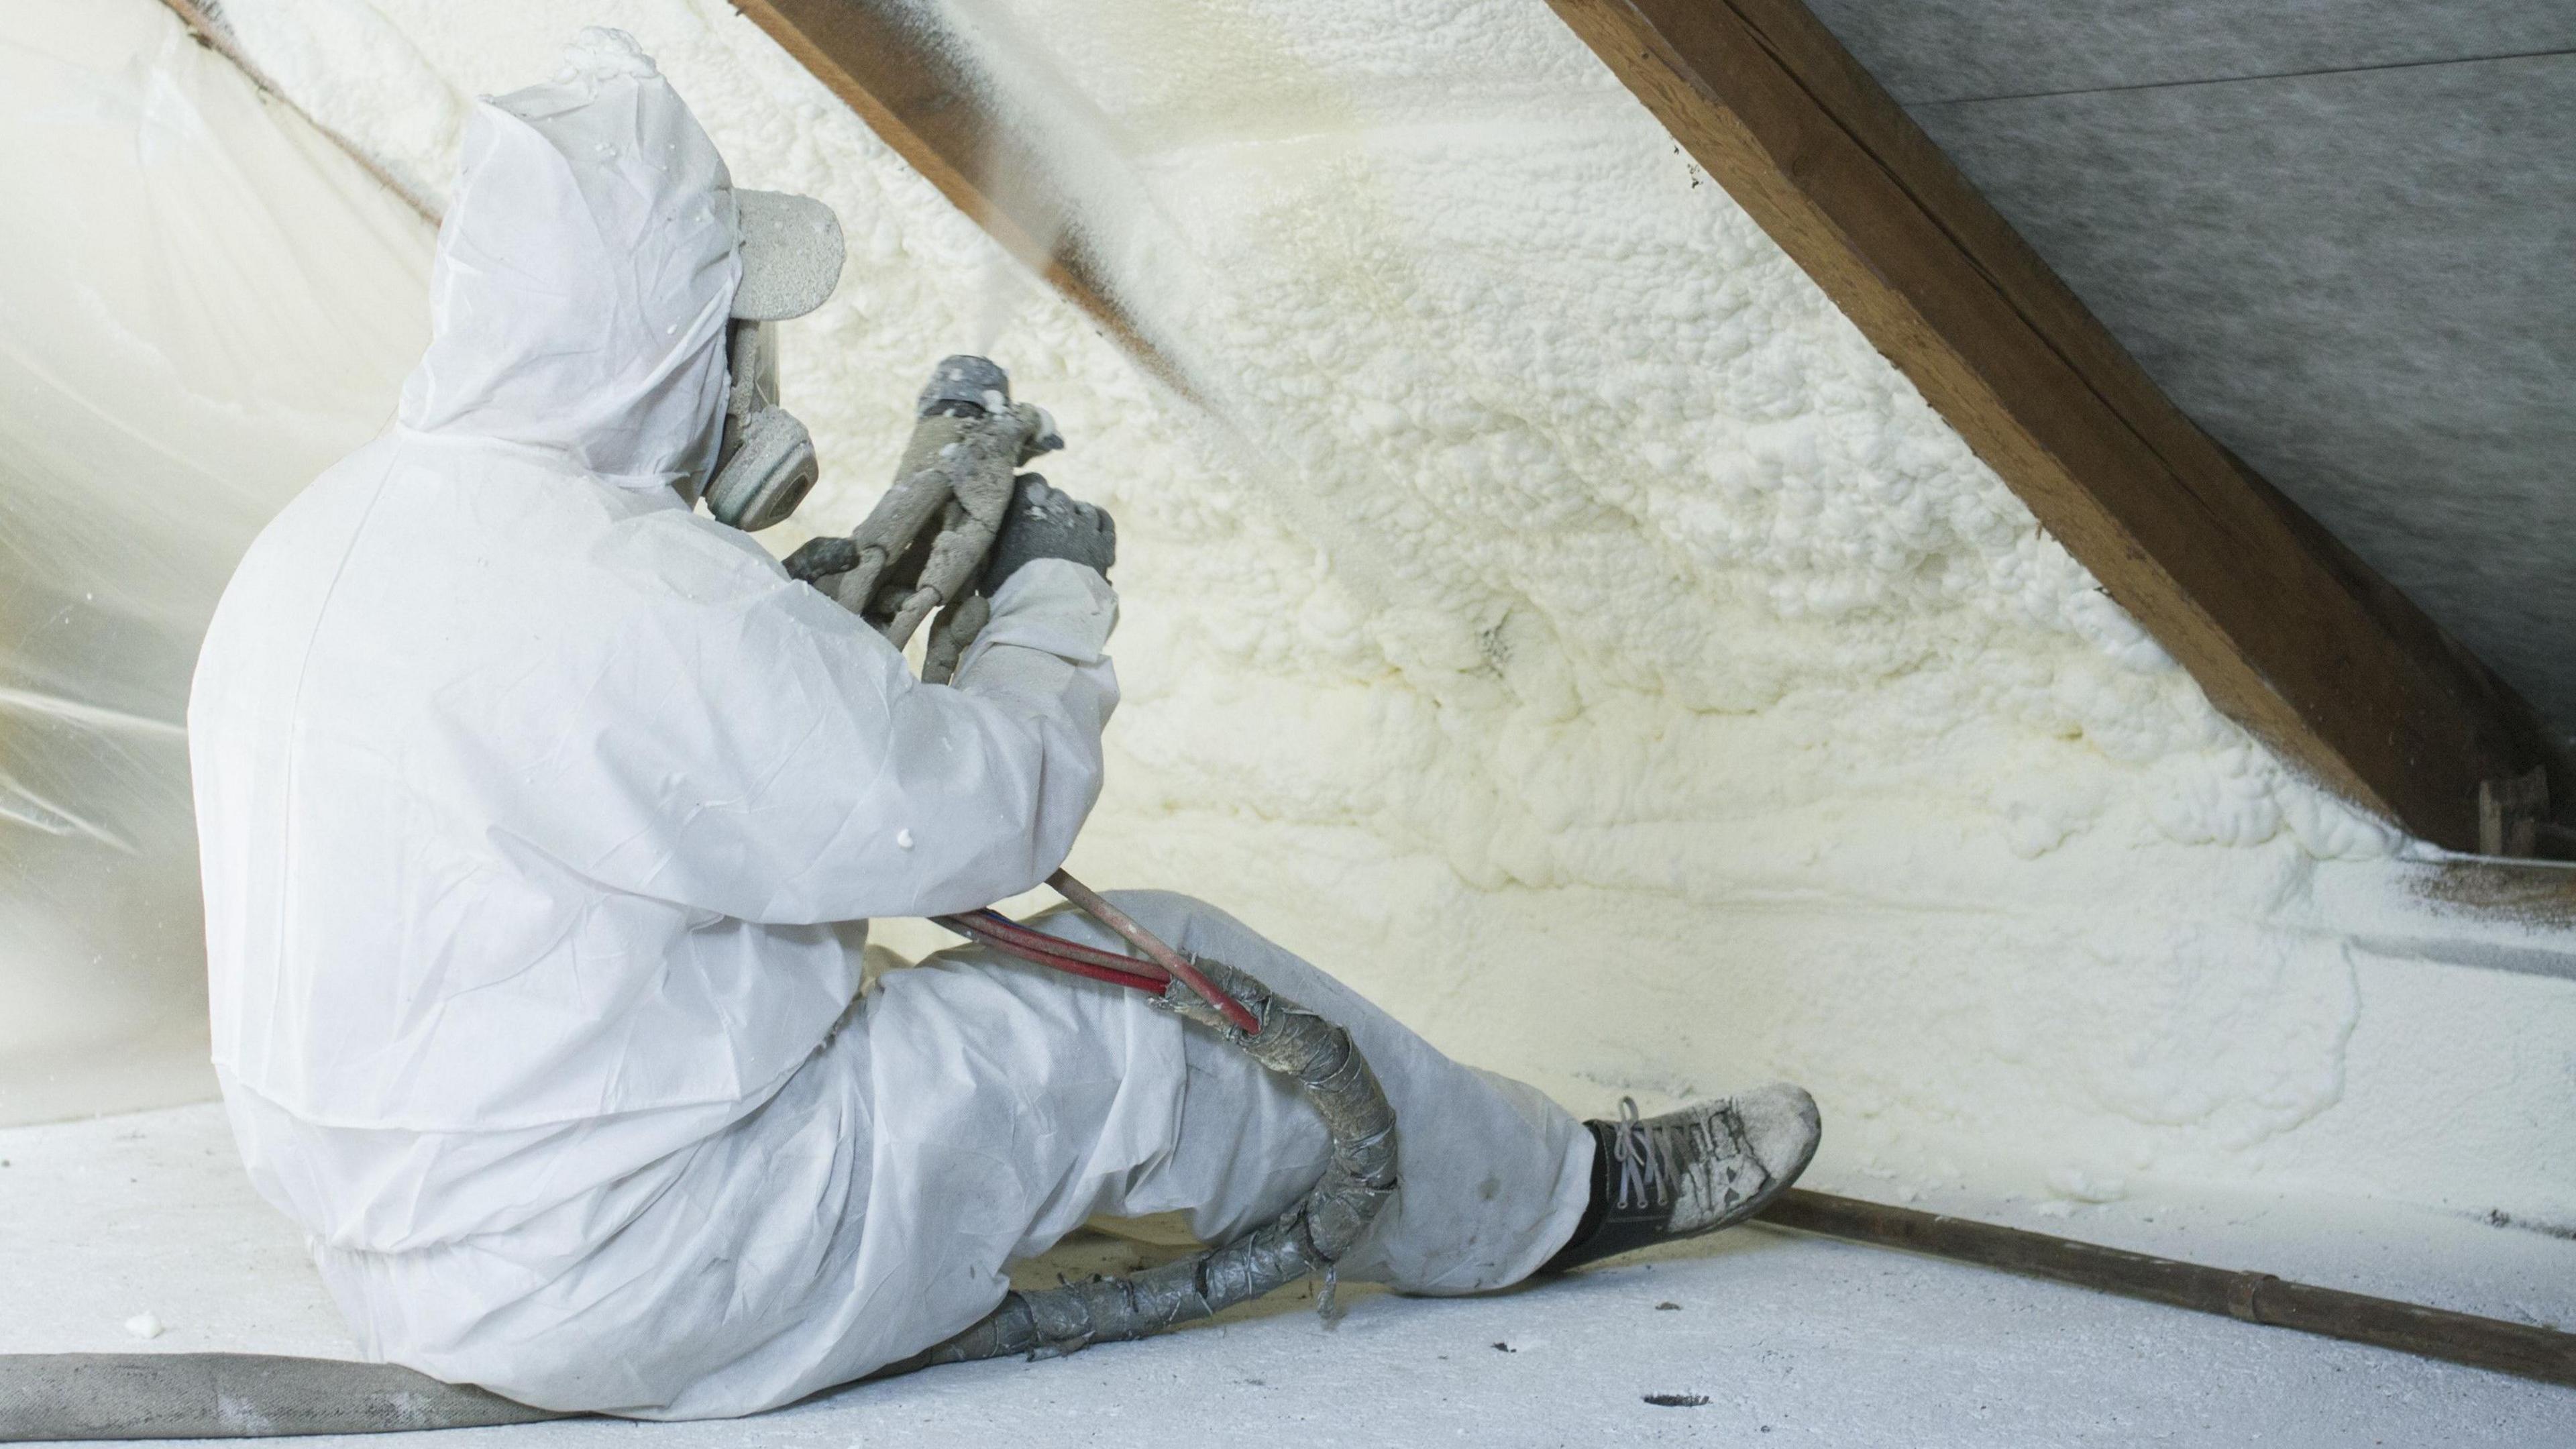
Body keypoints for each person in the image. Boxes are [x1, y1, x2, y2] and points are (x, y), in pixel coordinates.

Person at [188, 30, 1820, 1420]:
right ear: (669, 337)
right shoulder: (640, 599)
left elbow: (612, 782)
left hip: (402, 1255)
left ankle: (1520, 1188)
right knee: (1166, 986)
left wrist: (807, 626)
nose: (747, 366)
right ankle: (1555, 1203)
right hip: (643, 1267)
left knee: (915, 1010)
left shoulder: (330, 541)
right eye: (730, 325)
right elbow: (978, 822)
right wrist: (1050, 607)